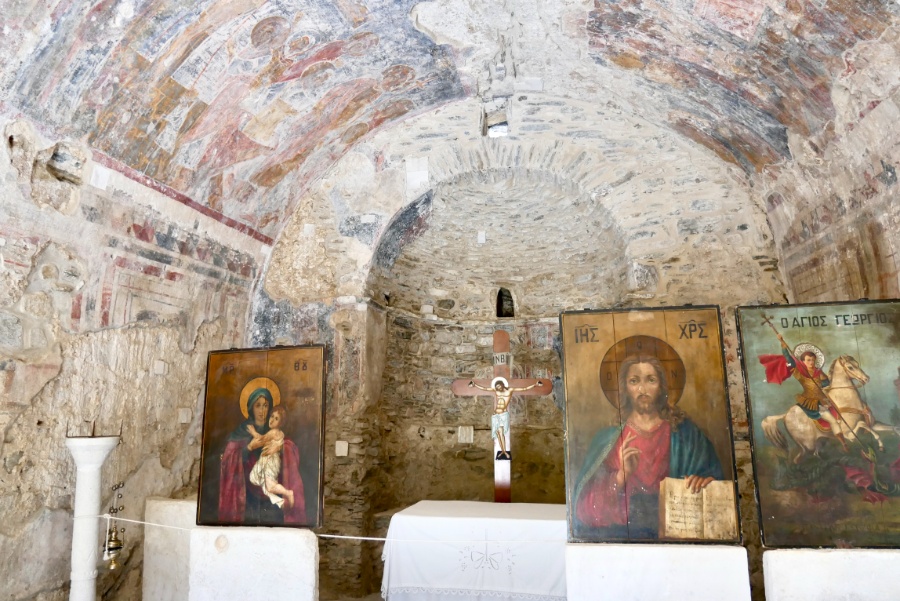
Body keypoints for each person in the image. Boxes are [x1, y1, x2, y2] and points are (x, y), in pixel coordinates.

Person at [573, 355, 723, 539]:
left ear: (661, 387)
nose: (643, 389)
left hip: (677, 533)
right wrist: (621, 476)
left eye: (651, 380)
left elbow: (716, 484)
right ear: (625, 388)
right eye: (634, 381)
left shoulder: (687, 435)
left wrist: (704, 483)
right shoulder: (607, 440)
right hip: (622, 536)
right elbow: (584, 511)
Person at [218, 387, 306, 524]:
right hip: (247, 496)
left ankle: (283, 501)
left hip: (271, 485)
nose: (262, 410)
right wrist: (249, 447)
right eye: (258, 405)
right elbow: (228, 459)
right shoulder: (241, 431)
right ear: (250, 407)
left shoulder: (274, 430)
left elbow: (291, 448)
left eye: (265, 406)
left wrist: (281, 446)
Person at [758, 334, 847, 450]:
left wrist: (822, 384)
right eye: (808, 360)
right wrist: (783, 345)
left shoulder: (818, 372)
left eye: (813, 360)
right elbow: (789, 361)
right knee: (832, 420)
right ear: (803, 361)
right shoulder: (800, 373)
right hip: (811, 403)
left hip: (823, 400)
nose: (811, 362)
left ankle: (841, 441)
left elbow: (826, 383)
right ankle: (844, 444)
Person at [469, 376, 542, 459]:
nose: (498, 389)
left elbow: (524, 389)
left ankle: (504, 452)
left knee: (501, 433)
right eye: (496, 387)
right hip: (496, 414)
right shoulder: (496, 390)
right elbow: (484, 389)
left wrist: (535, 384)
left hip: (502, 414)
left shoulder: (510, 390)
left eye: (499, 386)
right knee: (498, 434)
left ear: (503, 385)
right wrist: (475, 385)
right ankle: (502, 451)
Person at [247, 406, 295, 510]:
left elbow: (261, 439)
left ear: (281, 423)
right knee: (255, 479)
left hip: (270, 462)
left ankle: (288, 493)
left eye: (276, 419)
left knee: (269, 486)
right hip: (266, 461)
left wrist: (253, 432)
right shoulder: (280, 433)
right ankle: (280, 502)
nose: (272, 420)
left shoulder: (273, 432)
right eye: (272, 416)